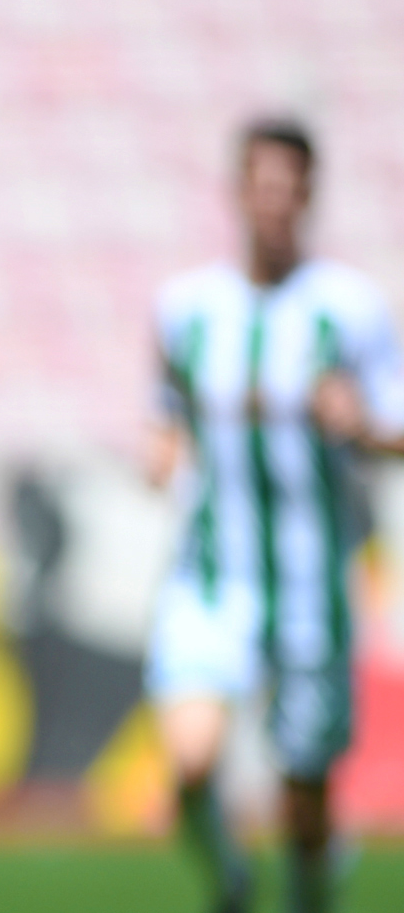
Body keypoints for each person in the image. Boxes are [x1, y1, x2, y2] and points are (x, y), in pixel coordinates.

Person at [145, 117, 404, 913]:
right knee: (190, 759)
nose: (274, 203)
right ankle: (231, 878)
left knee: (304, 798)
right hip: (212, 574)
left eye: (289, 188)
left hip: (309, 584)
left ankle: (309, 892)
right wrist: (161, 451)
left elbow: (394, 427)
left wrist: (359, 424)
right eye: (262, 185)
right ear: (238, 192)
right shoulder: (188, 308)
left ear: (309, 197)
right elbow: (166, 412)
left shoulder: (348, 309)